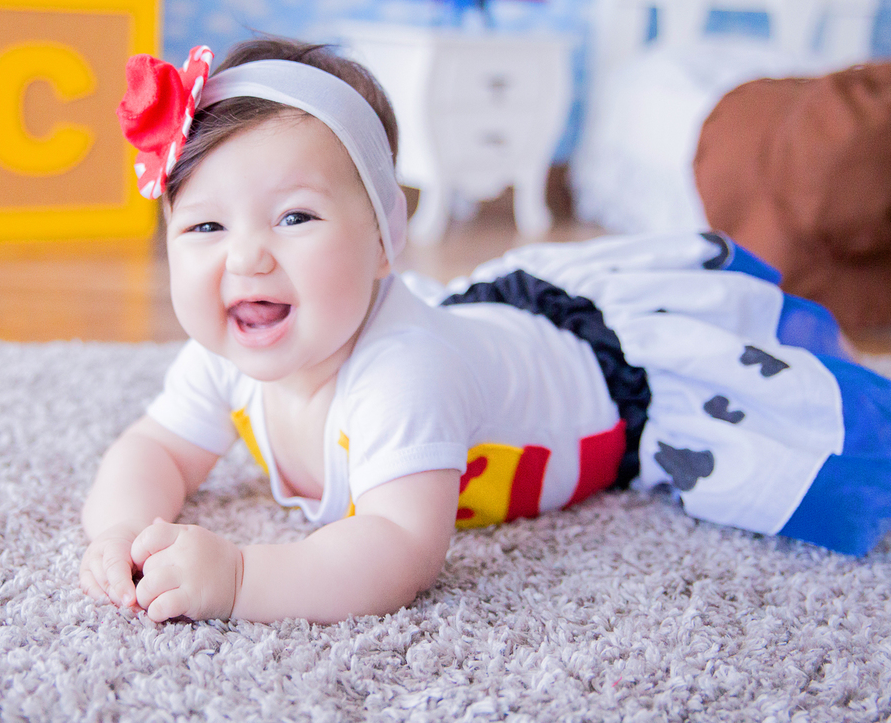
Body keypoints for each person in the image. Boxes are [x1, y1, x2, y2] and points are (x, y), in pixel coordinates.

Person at [79, 37, 891, 624]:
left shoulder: (403, 373)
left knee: (783, 403)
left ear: (385, 241)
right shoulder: (224, 355)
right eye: (205, 228)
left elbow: (399, 545)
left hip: (599, 379)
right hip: (486, 325)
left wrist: (245, 578)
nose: (247, 257)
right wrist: (120, 529)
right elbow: (155, 448)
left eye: (295, 216)